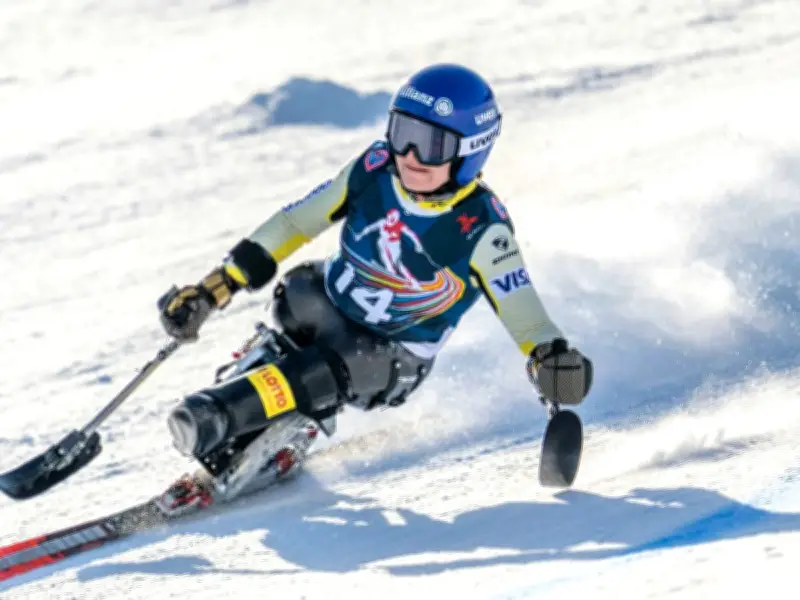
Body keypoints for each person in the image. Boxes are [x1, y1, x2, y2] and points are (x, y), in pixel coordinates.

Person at [157, 64, 594, 468]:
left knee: (326, 369)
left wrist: (552, 360)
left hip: (388, 353)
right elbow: (297, 221)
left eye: (431, 144)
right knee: (295, 295)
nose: (410, 154)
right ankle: (254, 380)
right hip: (327, 298)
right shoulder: (375, 167)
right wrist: (218, 285)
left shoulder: (482, 230)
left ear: (469, 152)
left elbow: (523, 312)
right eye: (402, 132)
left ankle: (216, 416)